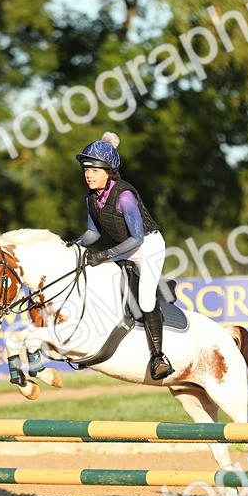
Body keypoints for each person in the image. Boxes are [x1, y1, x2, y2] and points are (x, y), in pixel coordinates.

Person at [69, 131, 173, 380]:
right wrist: (74, 244)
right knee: (95, 279)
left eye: (94, 170)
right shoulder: (92, 198)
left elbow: (137, 239)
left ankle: (159, 357)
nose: (88, 174)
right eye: (86, 169)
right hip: (124, 248)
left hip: (148, 248)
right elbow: (93, 233)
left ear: (108, 171)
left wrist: (104, 255)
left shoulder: (124, 196)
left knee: (146, 300)